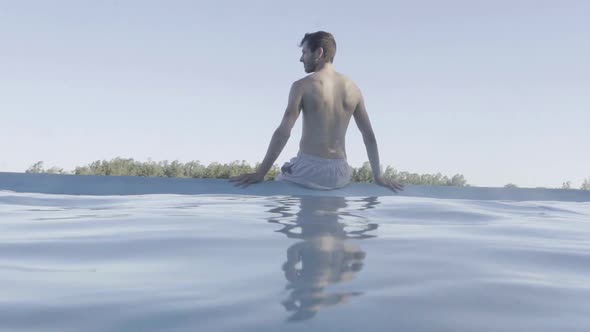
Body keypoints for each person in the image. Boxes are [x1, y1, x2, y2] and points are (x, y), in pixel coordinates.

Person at [229, 31, 403, 192]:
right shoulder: (354, 89)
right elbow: (369, 136)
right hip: (340, 172)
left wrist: (260, 173)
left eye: (304, 52)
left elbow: (283, 132)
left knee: (277, 193)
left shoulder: (302, 86)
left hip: (310, 170)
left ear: (319, 53)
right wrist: (378, 176)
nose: (301, 58)